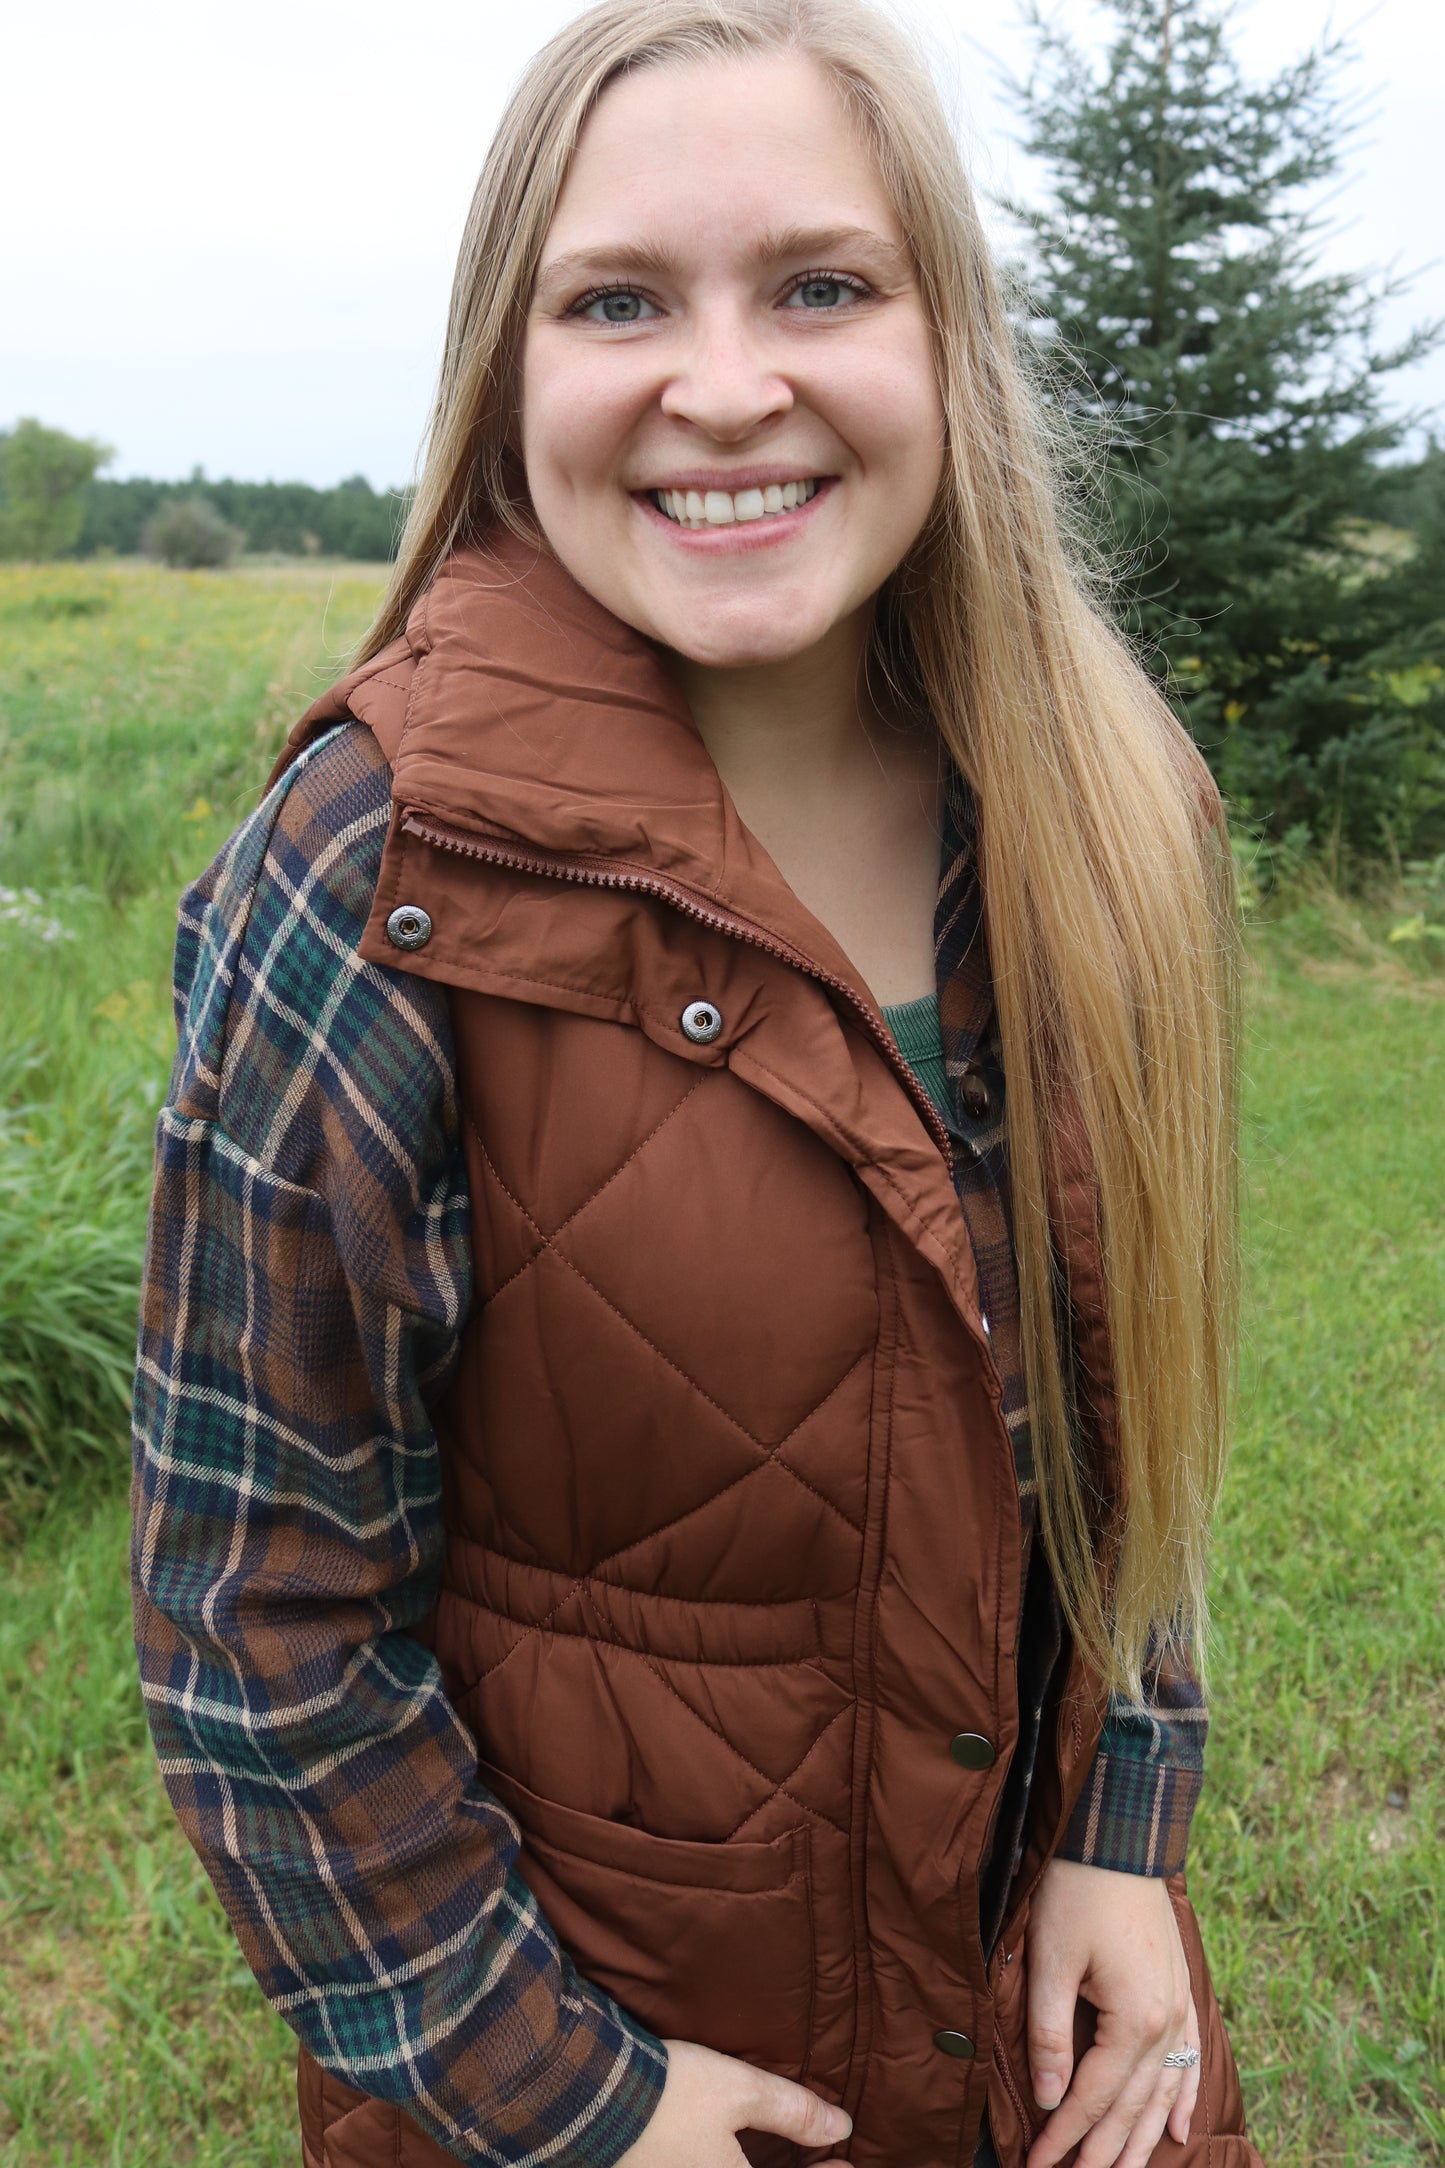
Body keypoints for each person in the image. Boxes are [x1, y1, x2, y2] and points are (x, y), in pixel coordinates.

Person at [130, 4, 1258, 2166]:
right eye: (619, 300)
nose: (725, 385)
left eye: (822, 285)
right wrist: (567, 2096)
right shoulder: (369, 878)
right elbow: (250, 1623)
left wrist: (1126, 1822)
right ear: (506, 365)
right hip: (611, 2088)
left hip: (1047, 2058)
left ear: (948, 339)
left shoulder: (1113, 819)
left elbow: (1136, 1421)